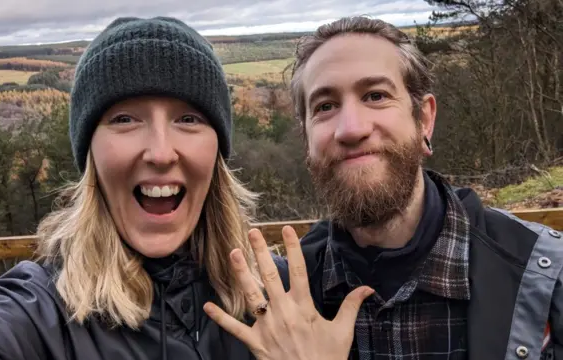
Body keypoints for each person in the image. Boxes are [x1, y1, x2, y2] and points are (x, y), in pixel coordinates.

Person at [0, 16, 321, 360]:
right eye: (125, 119)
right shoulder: (36, 311)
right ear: (89, 152)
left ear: (218, 151)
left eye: (188, 119)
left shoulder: (283, 296)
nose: (162, 153)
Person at [207, 16, 563, 360]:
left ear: (424, 118)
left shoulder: (544, 278)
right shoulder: (278, 307)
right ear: (307, 140)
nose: (350, 128)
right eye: (325, 106)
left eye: (375, 95)